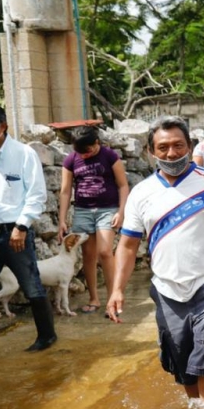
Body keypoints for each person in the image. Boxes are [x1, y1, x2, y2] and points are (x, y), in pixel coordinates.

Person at [106, 116, 204, 409]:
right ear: (151, 152)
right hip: (167, 289)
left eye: (178, 145)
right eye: (162, 147)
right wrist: (117, 289)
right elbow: (127, 245)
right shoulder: (141, 193)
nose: (171, 153)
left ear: (190, 146)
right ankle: (198, 407)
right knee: (181, 357)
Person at [0, 103, 57, 349]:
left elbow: (36, 195)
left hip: (15, 233)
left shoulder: (24, 154)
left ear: (1, 127)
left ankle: (46, 336)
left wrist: (22, 226)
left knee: (32, 287)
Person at [58, 126, 129, 313]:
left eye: (88, 151)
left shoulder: (110, 156)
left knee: (105, 252)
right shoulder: (71, 159)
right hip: (83, 211)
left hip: (108, 210)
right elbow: (65, 191)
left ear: (96, 143)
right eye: (81, 152)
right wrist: (62, 219)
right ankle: (94, 299)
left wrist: (121, 212)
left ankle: (113, 300)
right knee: (88, 256)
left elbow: (123, 185)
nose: (85, 156)